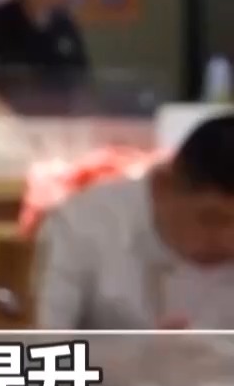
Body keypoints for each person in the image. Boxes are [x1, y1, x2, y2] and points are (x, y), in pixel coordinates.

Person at [34, 114, 234, 328]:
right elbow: (43, 338)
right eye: (212, 219)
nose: (229, 241)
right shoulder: (82, 224)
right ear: (163, 186)